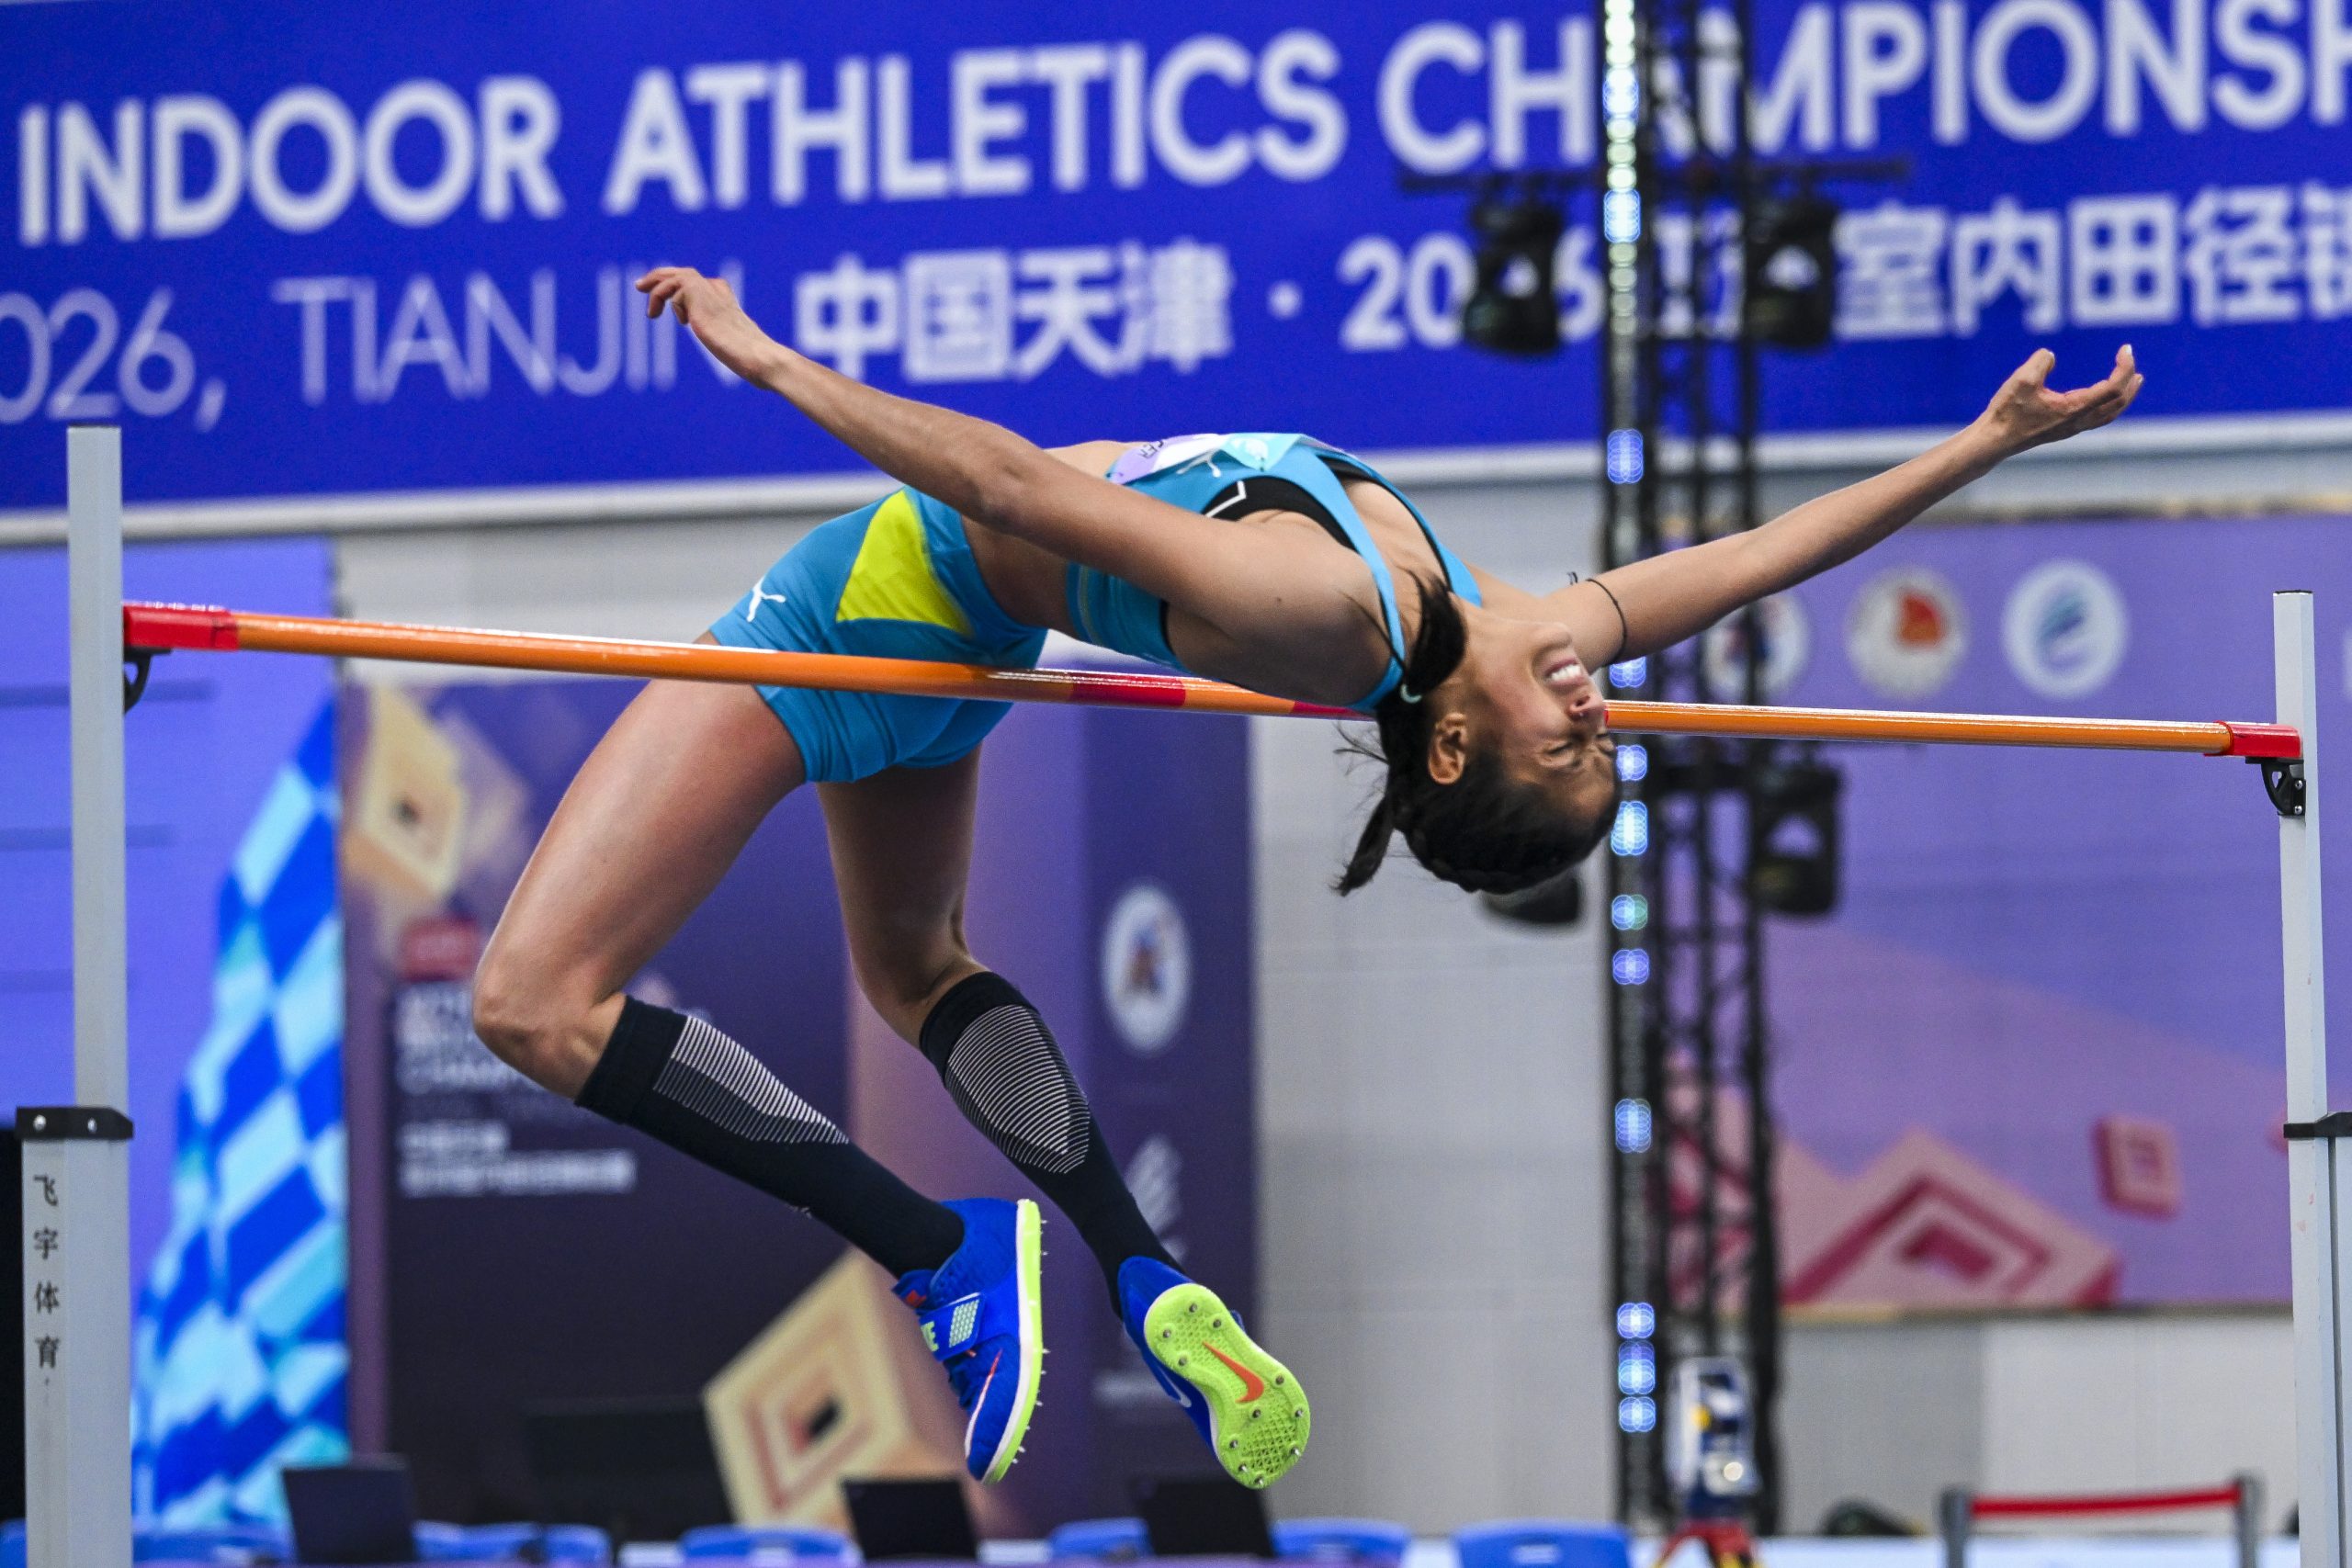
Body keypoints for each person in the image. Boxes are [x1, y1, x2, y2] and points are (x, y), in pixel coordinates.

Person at [469, 265, 2143, 1490]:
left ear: (1451, 752)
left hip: (870, 601)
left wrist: (772, 363)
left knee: (533, 1004)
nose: (1592, 705)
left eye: (1569, 742)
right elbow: (1755, 559)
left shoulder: (1332, 617)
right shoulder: (1494, 628)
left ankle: (936, 1247)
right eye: (1604, 730)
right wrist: (1982, 444)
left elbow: (1003, 480)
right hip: (965, 650)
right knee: (918, 970)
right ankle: (1136, 1268)